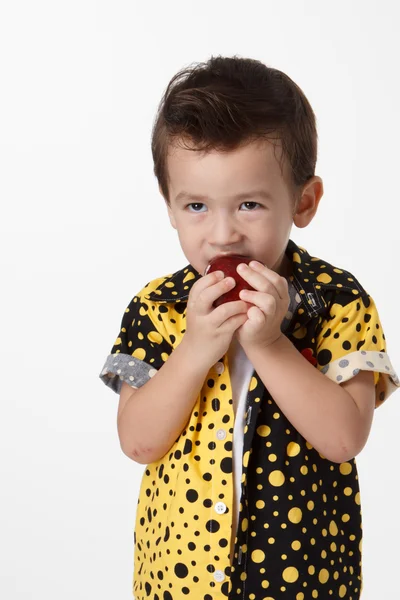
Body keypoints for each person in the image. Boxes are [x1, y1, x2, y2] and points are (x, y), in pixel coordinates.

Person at [99, 55, 399, 600]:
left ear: (303, 202)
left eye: (250, 204)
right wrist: (194, 350)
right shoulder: (158, 307)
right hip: (180, 578)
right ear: (168, 205)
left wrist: (271, 344)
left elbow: (343, 439)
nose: (222, 234)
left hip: (302, 576)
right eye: (196, 205)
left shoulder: (337, 300)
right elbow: (139, 442)